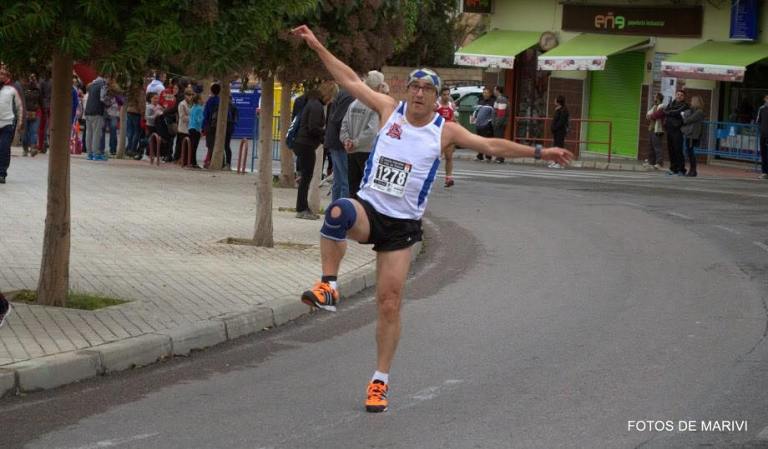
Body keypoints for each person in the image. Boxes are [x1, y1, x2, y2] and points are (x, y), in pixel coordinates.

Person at [292, 24, 572, 413]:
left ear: (437, 98)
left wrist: (541, 153)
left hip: (403, 227)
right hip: (370, 210)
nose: (419, 94)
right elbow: (349, 79)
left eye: (427, 90)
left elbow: (492, 144)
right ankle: (328, 286)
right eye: (414, 87)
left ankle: (379, 381)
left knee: (389, 302)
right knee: (338, 210)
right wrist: (316, 45)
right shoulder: (388, 111)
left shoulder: (446, 131)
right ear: (407, 91)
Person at [293, 82, 338, 219]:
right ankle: (302, 209)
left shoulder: (312, 103)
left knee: (306, 178)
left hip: (303, 143)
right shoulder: (316, 106)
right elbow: (313, 128)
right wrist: (326, 133)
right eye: (332, 97)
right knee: (306, 178)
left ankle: (303, 207)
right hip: (306, 144)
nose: (331, 101)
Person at [341, 71, 387, 197]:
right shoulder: (374, 106)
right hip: (367, 152)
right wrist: (355, 142)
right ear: (378, 87)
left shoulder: (354, 104)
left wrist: (347, 141)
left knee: (353, 188)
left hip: (351, 151)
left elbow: (344, 125)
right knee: (367, 190)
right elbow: (372, 131)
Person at [326, 85, 356, 201]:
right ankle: (342, 212)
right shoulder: (350, 96)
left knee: (338, 181)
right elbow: (339, 119)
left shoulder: (344, 93)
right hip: (340, 143)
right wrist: (347, 138)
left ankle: (334, 211)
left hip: (335, 141)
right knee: (345, 181)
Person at [0, 67, 25, 184]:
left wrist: (20, 122)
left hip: (7, 124)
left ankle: (2, 173)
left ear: (7, 76)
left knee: (4, 148)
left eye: (3, 74)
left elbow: (19, 106)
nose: (1, 76)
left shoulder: (12, 89)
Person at [84, 74, 110, 161]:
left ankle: (89, 154)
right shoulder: (103, 85)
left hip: (88, 111)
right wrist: (109, 102)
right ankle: (96, 154)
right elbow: (103, 98)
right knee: (96, 134)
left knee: (89, 133)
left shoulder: (92, 85)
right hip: (97, 112)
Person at [435, 86, 457, 187]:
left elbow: (454, 118)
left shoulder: (452, 105)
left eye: (448, 94)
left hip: (449, 135)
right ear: (440, 95)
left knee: (449, 157)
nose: (446, 96)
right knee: (434, 157)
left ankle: (449, 178)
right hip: (437, 134)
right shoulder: (436, 105)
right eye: (444, 94)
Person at [664, 90, 689, 176]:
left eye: (681, 95)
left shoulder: (685, 105)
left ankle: (681, 170)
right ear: (675, 95)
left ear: (684, 97)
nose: (679, 96)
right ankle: (673, 168)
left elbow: (677, 112)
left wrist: (670, 112)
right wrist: (671, 112)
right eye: (678, 94)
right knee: (671, 150)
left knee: (678, 150)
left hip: (677, 130)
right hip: (669, 129)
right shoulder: (671, 103)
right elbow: (665, 112)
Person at [681, 96, 705, 177]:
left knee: (690, 152)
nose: (691, 102)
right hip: (690, 133)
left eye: (692, 101)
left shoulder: (699, 112)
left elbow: (689, 120)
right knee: (689, 151)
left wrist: (684, 117)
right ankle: (692, 170)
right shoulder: (694, 111)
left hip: (693, 134)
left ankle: (693, 170)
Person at [21, 73, 42, 157]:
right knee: (31, 132)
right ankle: (29, 148)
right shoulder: (37, 89)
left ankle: (29, 148)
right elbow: (41, 102)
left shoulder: (25, 89)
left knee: (29, 132)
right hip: (33, 113)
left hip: (30, 113)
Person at [472, 86, 495, 161]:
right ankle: (480, 155)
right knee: (479, 141)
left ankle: (488, 156)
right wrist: (474, 117)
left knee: (487, 141)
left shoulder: (492, 102)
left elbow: (494, 113)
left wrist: (490, 122)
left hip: (487, 124)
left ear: (490, 94)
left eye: (486, 93)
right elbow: (476, 111)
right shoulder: (480, 101)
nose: (484, 94)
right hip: (479, 124)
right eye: (483, 92)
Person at [645, 92, 665, 169]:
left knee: (657, 147)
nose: (654, 98)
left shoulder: (662, 106)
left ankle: (659, 163)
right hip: (651, 128)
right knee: (651, 146)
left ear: (659, 98)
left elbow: (656, 115)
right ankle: (651, 162)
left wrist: (651, 116)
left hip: (658, 130)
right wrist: (650, 116)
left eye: (655, 97)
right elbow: (647, 115)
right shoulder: (654, 106)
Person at [549, 95, 569, 169]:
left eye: (555, 100)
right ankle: (555, 161)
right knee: (556, 146)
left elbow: (561, 122)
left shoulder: (564, 110)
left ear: (559, 102)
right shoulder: (557, 109)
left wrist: (555, 127)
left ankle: (561, 163)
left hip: (560, 131)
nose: (554, 101)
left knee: (560, 146)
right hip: (556, 131)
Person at [492, 85, 509, 164]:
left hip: (499, 124)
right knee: (498, 140)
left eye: (494, 90)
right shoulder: (498, 99)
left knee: (499, 140)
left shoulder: (501, 99)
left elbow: (501, 113)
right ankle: (499, 156)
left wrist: (497, 123)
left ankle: (500, 157)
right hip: (498, 123)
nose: (493, 91)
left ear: (498, 90)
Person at [187, 93, 204, 169]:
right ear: (198, 100)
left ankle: (191, 161)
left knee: (192, 146)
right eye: (201, 98)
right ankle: (193, 163)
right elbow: (199, 120)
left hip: (190, 127)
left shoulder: (192, 107)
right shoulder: (200, 108)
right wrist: (201, 128)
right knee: (195, 146)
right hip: (196, 128)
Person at [754, 94, 768, 180]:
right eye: (767, 98)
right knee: (763, 154)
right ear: (765, 99)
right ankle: (764, 172)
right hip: (763, 135)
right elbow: (758, 121)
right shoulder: (762, 109)